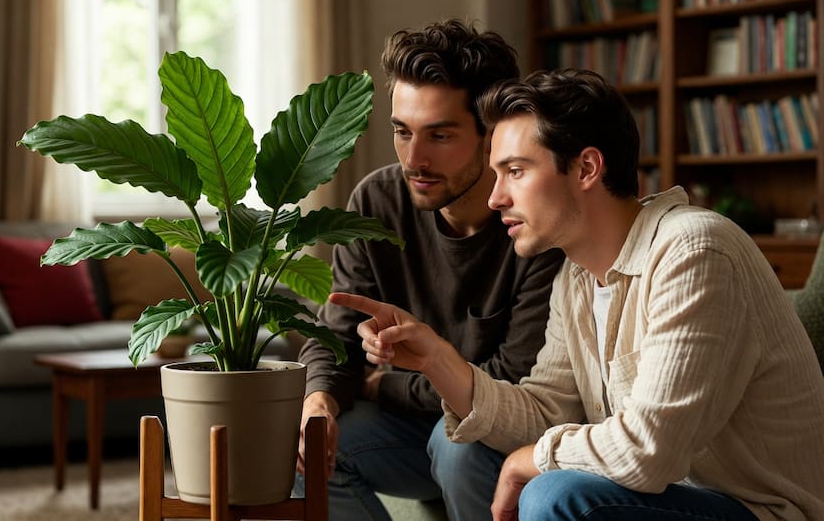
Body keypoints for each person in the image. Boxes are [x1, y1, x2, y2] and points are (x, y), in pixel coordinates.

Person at [330, 68, 824, 521]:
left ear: (586, 168)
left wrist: (533, 459)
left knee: (554, 494)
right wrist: (436, 359)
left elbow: (648, 451)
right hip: (660, 499)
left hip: (758, 510)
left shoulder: (694, 251)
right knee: (480, 453)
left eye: (515, 171)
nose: (495, 197)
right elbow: (545, 413)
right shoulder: (577, 278)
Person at [294, 19, 565, 521]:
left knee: (457, 445)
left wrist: (382, 384)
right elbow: (336, 336)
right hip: (410, 429)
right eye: (402, 132)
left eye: (439, 135)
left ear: (492, 134)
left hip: (501, 433)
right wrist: (319, 403)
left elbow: (512, 384)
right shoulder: (376, 202)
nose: (414, 159)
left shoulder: (535, 222)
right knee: (303, 448)